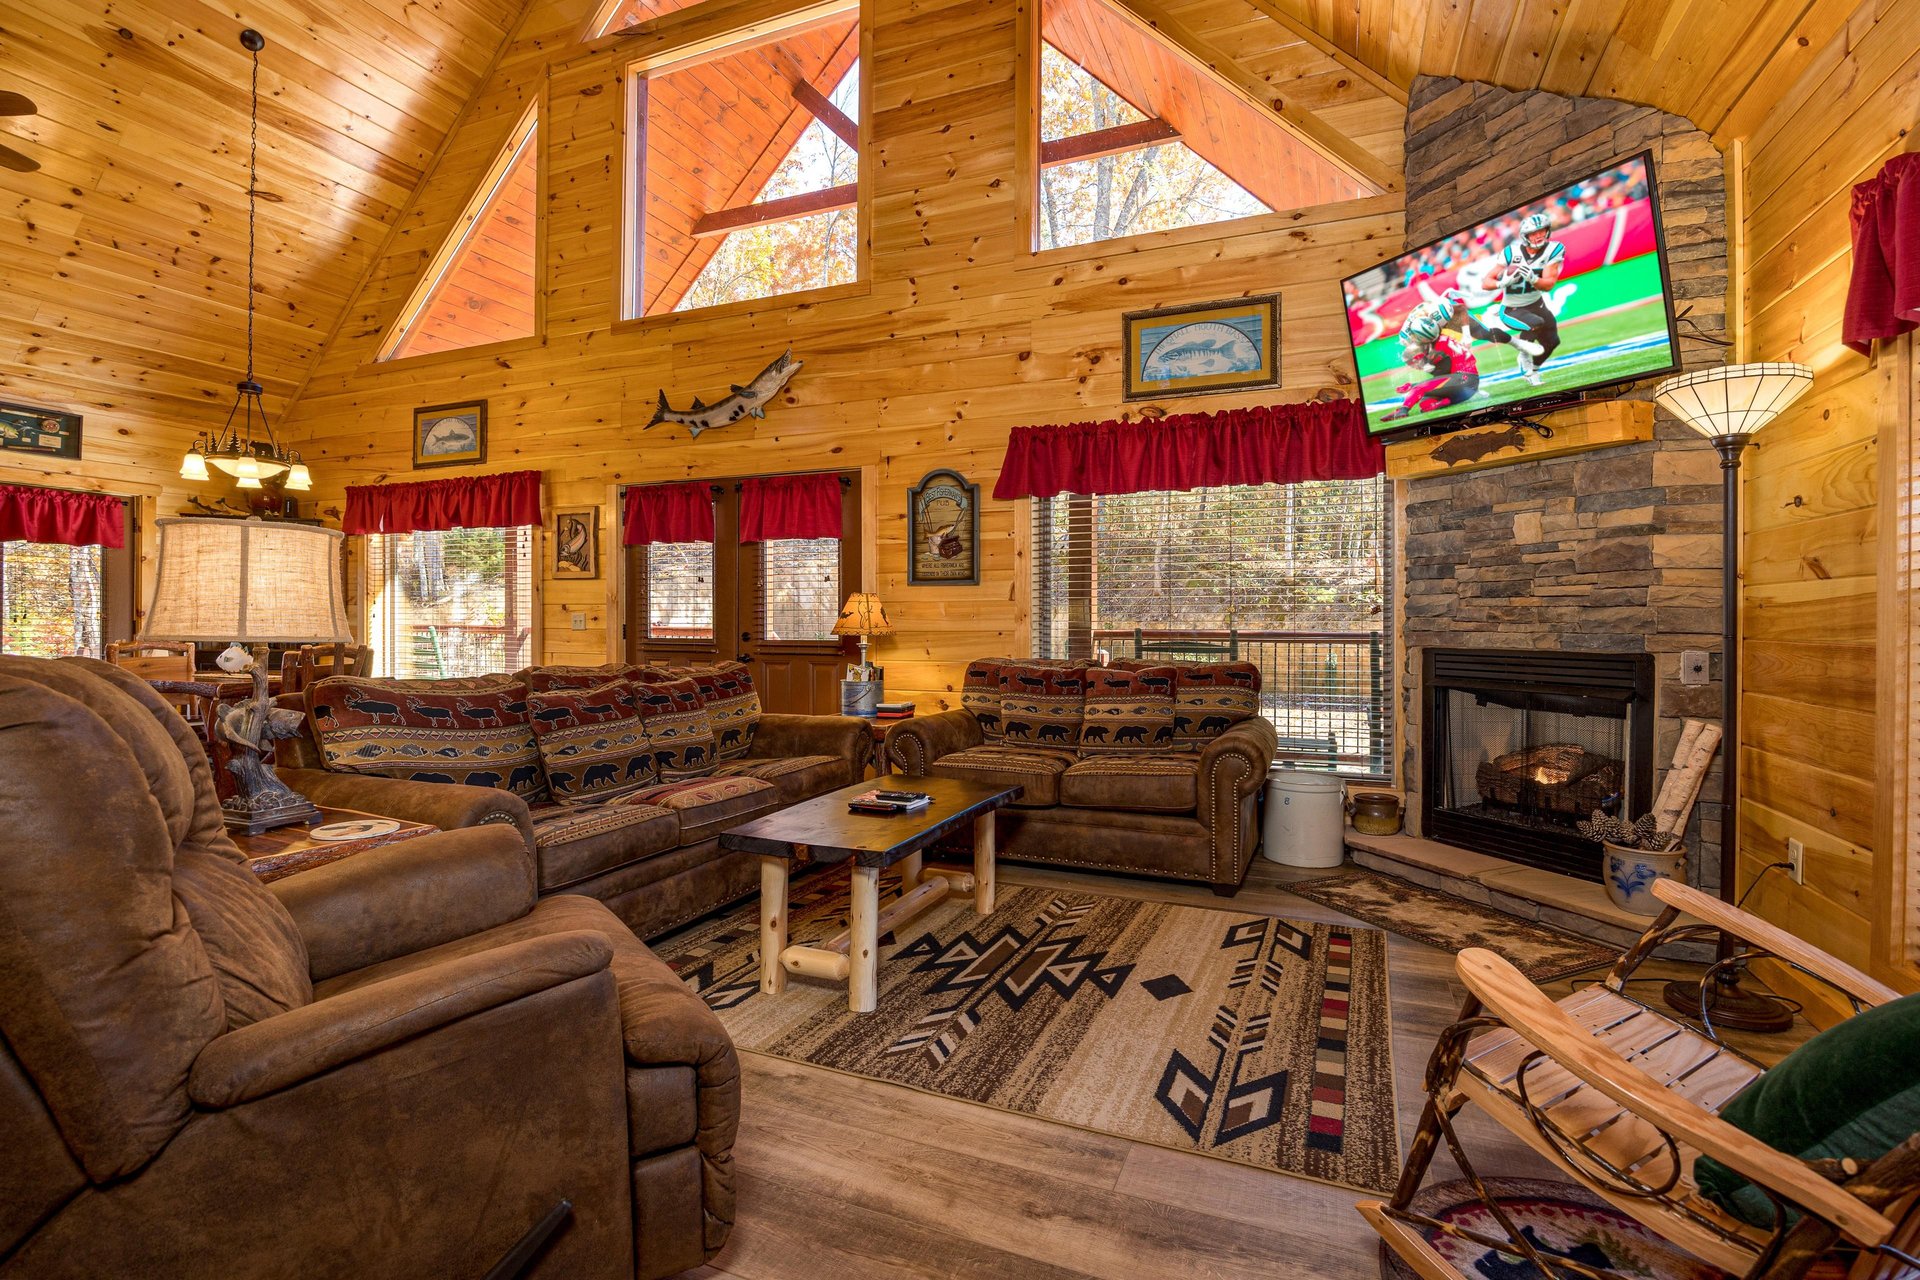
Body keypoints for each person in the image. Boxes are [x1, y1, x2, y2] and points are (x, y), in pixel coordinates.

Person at [1494, 213, 1567, 386]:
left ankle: (1533, 372)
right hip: (1512, 308)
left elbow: (1548, 284)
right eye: (1534, 233)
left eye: (1542, 231)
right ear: (1525, 237)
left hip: (1536, 304)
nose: (1539, 236)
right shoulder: (1511, 252)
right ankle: (1524, 354)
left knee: (1552, 342)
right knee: (1536, 322)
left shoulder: (1554, 250)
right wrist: (1502, 282)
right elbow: (1486, 282)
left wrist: (1533, 279)